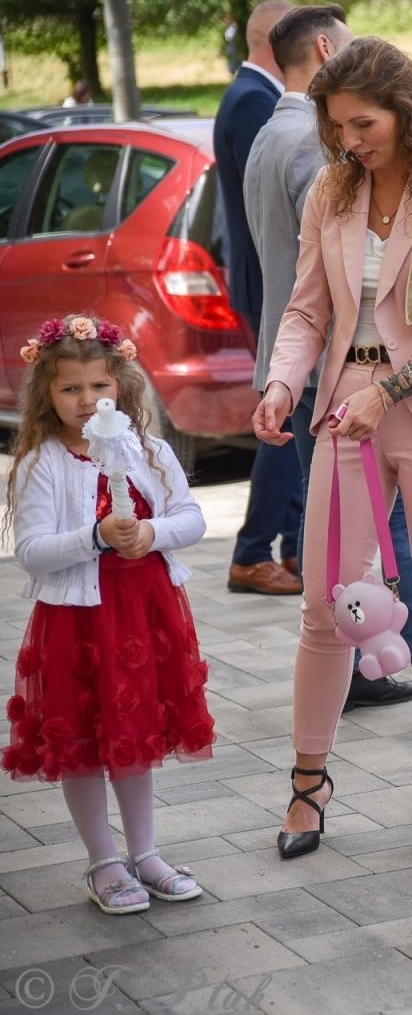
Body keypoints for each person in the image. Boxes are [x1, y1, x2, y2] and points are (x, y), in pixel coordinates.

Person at [253, 37, 412, 863]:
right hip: (344, 414)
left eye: (363, 123)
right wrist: (283, 384)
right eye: (337, 127)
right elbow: (305, 312)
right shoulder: (330, 193)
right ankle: (307, 785)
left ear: (403, 110)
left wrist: (388, 392)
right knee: (325, 606)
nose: (349, 140)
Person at [2, 316, 214, 913]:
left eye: (99, 386)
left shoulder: (148, 450)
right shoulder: (43, 462)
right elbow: (31, 550)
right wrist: (94, 537)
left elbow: (191, 517)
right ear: (47, 393)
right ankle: (103, 861)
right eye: (70, 388)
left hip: (145, 613)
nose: (86, 399)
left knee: (133, 732)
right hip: (79, 620)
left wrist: (151, 532)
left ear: (120, 386)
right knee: (83, 737)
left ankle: (145, 853)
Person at [214, 0, 304, 598]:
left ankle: (296, 543)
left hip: (271, 282)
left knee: (294, 412)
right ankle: (251, 553)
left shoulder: (248, 94)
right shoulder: (253, 101)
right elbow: (271, 209)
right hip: (271, 283)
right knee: (284, 416)